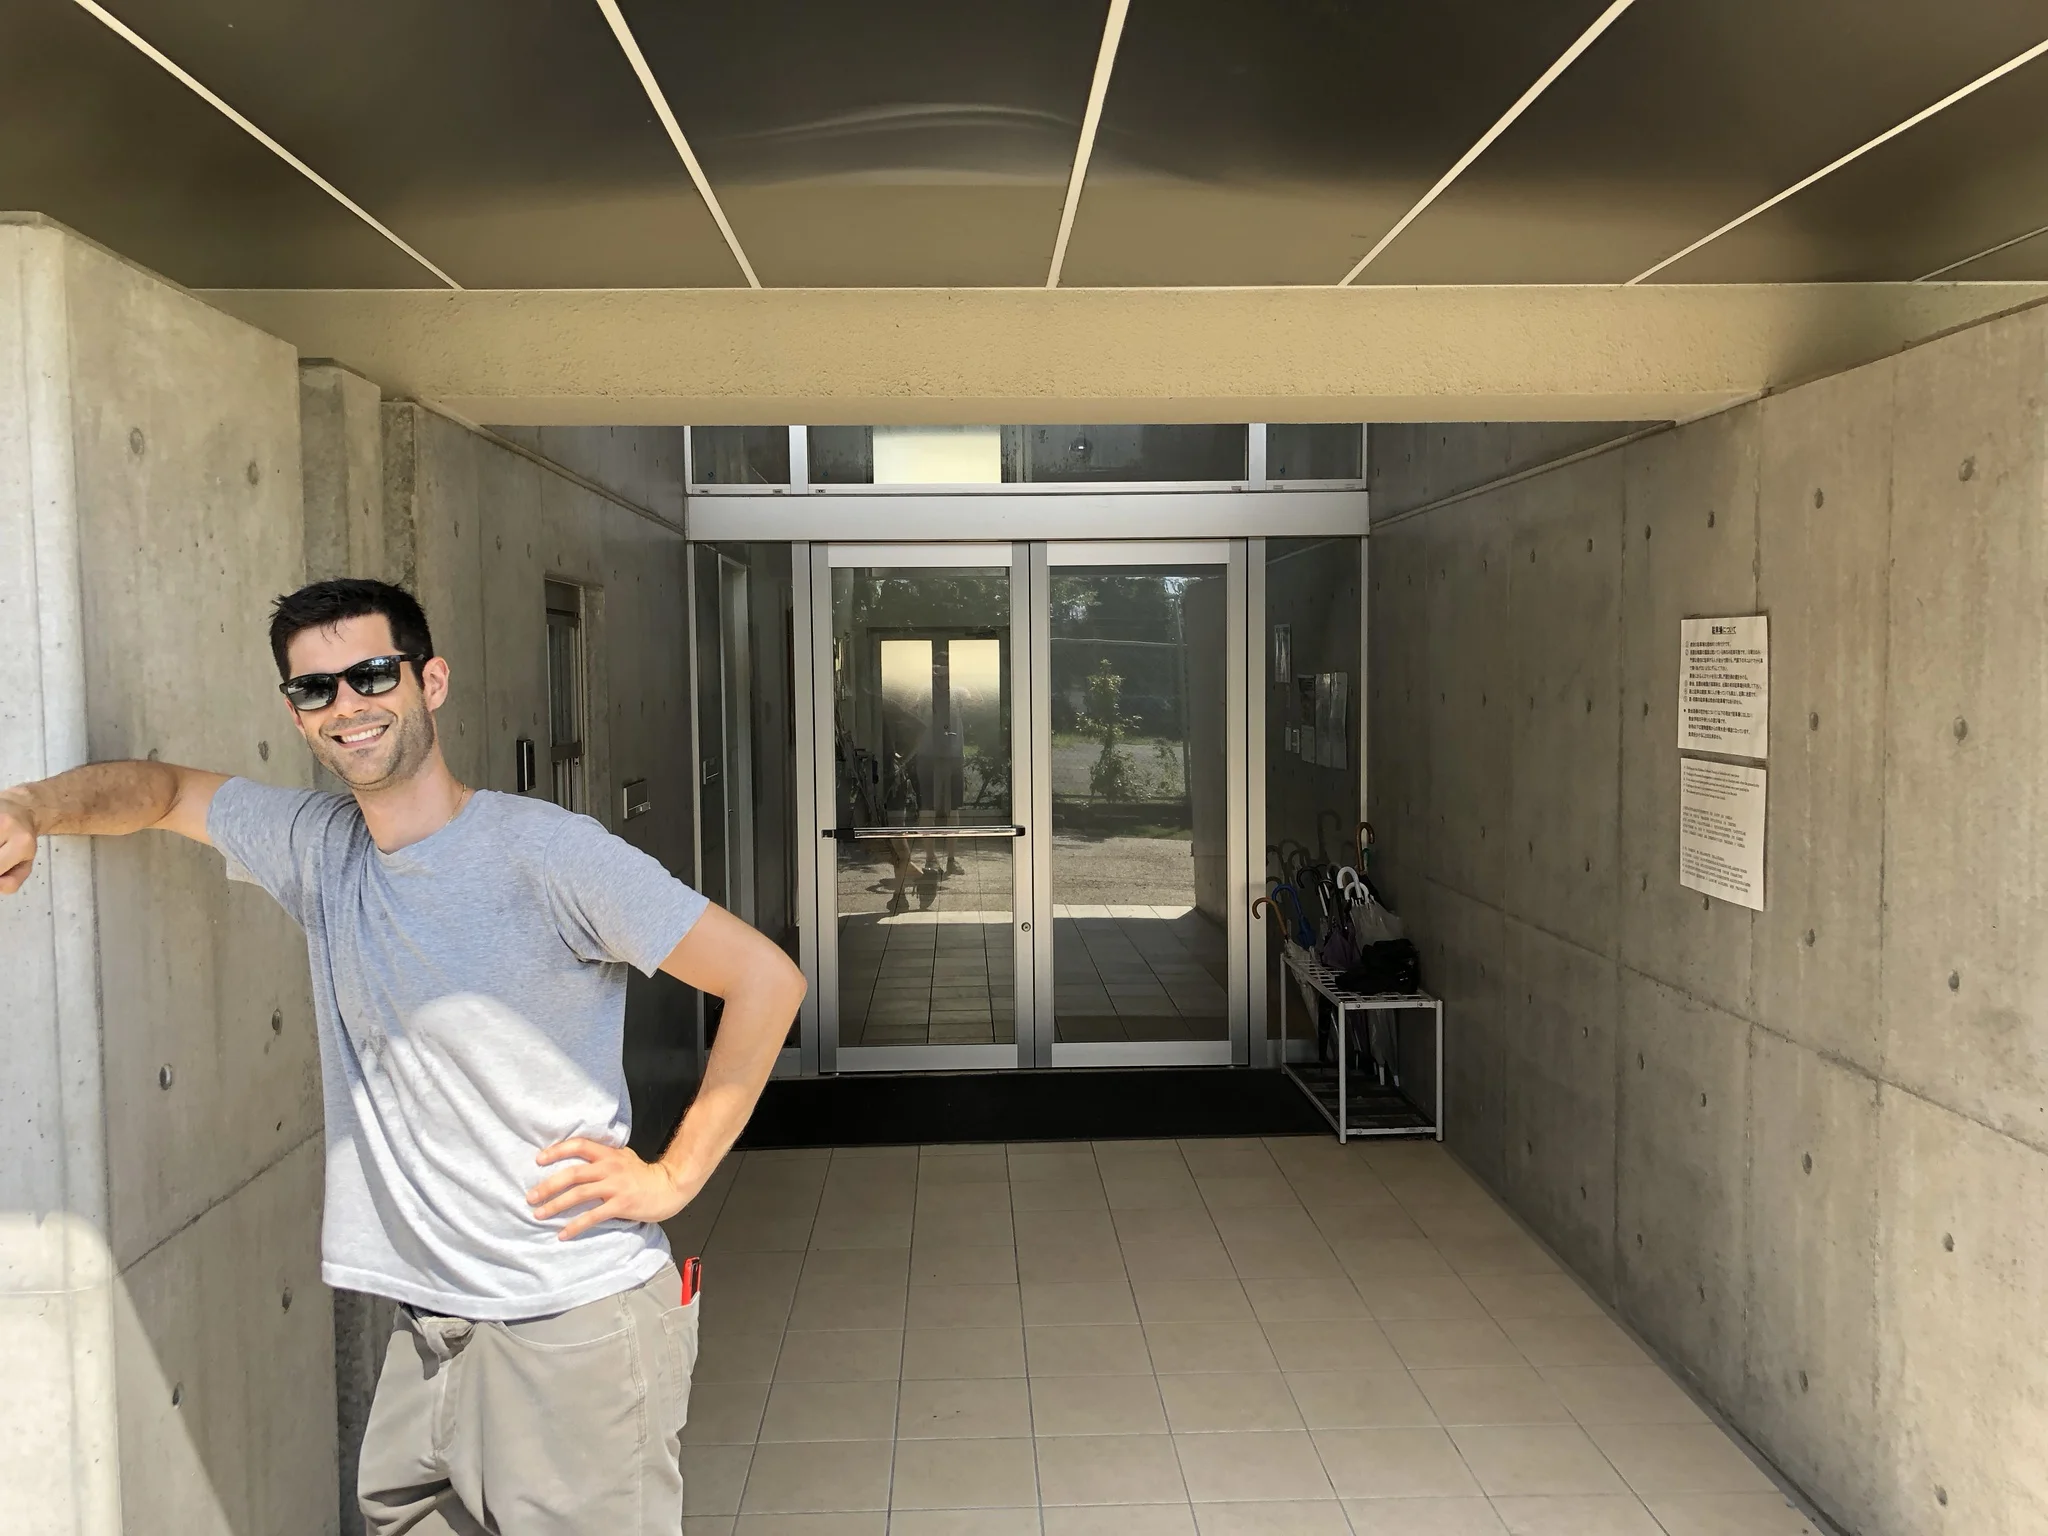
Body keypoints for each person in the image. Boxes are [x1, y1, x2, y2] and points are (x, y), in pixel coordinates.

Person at [0, 577, 803, 1535]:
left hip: (567, 1328)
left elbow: (765, 980)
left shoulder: (547, 854)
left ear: (431, 682)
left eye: (372, 674)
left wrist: (673, 1177)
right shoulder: (317, 848)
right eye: (316, 689)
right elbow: (164, 790)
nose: (348, 704)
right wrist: (26, 807)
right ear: (297, 714)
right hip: (426, 1337)